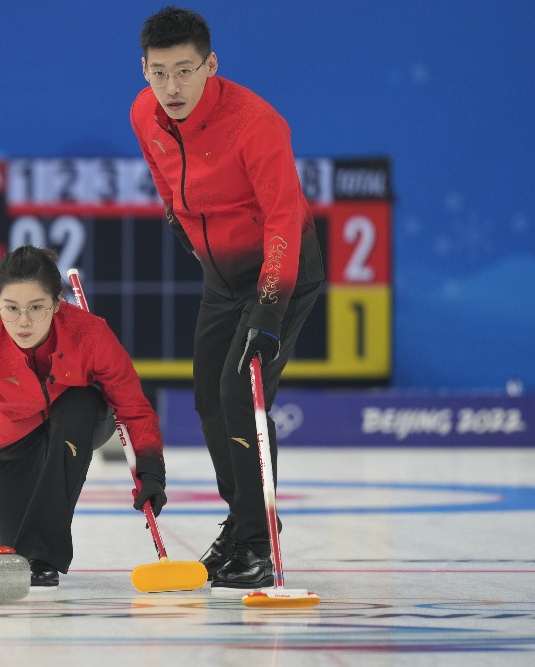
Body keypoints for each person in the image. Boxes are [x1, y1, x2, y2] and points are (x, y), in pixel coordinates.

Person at [131, 7, 325, 591]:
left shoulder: (256, 123)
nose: (171, 88)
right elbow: (167, 189)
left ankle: (258, 543)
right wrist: (191, 239)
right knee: (208, 401)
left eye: (185, 71)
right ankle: (243, 526)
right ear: (144, 69)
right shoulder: (146, 114)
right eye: (158, 72)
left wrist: (268, 308)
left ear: (210, 65)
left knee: (239, 395)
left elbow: (284, 221)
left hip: (280, 269)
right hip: (221, 279)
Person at [0, 245, 167, 587]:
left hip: (78, 424)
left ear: (57, 303)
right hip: (13, 439)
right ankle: (33, 547)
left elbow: (132, 405)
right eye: (11, 308)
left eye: (36, 308)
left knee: (78, 402)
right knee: (16, 548)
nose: (23, 321)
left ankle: (46, 555)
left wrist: (151, 470)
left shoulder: (90, 333)